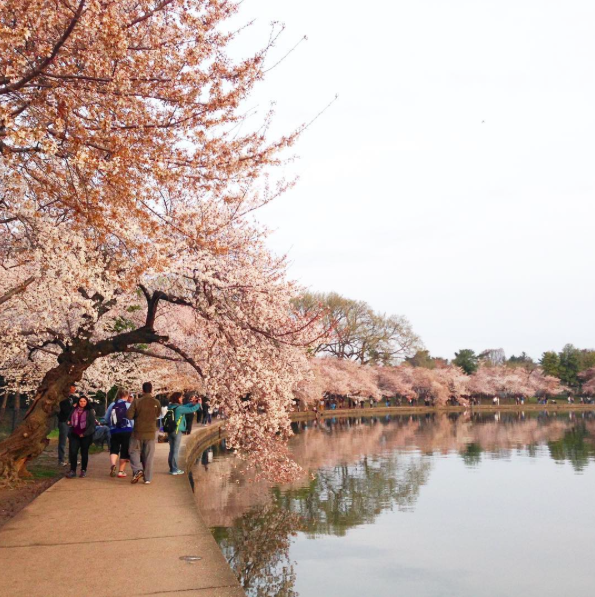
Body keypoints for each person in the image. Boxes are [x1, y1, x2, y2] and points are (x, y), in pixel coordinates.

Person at [127, 382, 161, 485]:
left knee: (133, 451)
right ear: (151, 390)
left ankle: (138, 469)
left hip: (138, 432)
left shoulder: (137, 402)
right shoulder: (156, 402)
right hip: (151, 432)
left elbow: (129, 416)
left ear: (142, 390)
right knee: (149, 455)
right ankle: (148, 478)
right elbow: (158, 414)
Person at [164, 392, 201, 475]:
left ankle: (172, 468)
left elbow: (185, 406)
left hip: (170, 430)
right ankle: (175, 469)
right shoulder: (179, 409)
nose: (182, 399)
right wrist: (198, 404)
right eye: (181, 398)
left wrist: (192, 403)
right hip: (177, 430)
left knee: (172, 450)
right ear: (177, 398)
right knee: (176, 450)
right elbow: (191, 410)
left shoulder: (171, 406)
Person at [105, 388, 133, 477]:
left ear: (118, 395)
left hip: (114, 430)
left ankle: (113, 464)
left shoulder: (112, 405)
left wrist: (111, 426)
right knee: (124, 450)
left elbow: (106, 418)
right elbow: (132, 419)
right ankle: (121, 471)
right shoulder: (129, 405)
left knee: (114, 448)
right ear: (127, 396)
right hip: (126, 430)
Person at [66, 396, 96, 478]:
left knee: (84, 453)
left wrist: (85, 434)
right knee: (73, 452)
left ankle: (83, 470)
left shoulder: (89, 411)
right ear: (78, 402)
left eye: (84, 401)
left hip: (85, 435)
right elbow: (68, 419)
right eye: (81, 401)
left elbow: (92, 425)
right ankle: (73, 470)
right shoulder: (74, 410)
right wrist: (69, 422)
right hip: (74, 434)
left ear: (86, 402)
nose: (82, 403)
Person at [57, 385, 76, 466]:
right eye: (71, 389)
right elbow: (65, 410)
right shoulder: (62, 399)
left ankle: (72, 459)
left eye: (74, 389)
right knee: (63, 442)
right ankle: (61, 460)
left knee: (73, 441)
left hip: (72, 423)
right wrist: (73, 407)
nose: (73, 390)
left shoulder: (74, 398)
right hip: (64, 421)